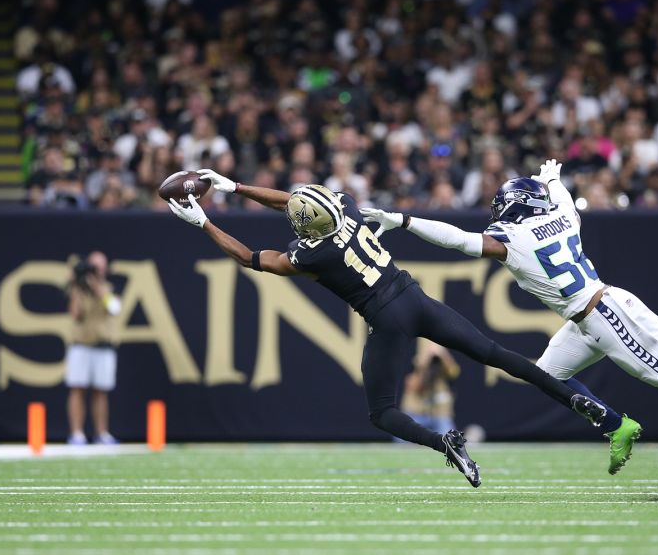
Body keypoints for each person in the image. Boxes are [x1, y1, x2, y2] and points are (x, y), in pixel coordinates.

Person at [168, 170, 610, 487]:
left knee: (382, 412)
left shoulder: (311, 256)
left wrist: (205, 223)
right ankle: (573, 397)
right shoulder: (346, 205)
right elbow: (297, 201)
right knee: (497, 355)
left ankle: (445, 444)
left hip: (388, 320)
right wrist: (235, 187)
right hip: (416, 298)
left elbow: (250, 257)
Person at [361, 160, 658, 474]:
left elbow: (458, 239)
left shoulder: (515, 239)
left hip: (605, 313)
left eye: (503, 206)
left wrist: (404, 220)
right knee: (547, 376)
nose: (498, 214)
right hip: (584, 318)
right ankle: (618, 426)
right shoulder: (562, 215)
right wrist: (553, 178)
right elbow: (558, 195)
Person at [65, 251, 122, 445]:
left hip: (103, 346)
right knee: (77, 388)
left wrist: (97, 287)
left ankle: (101, 433)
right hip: (81, 345)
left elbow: (114, 307)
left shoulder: (108, 288)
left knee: (101, 391)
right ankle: (77, 433)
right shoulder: (79, 290)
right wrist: (75, 286)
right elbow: (75, 315)